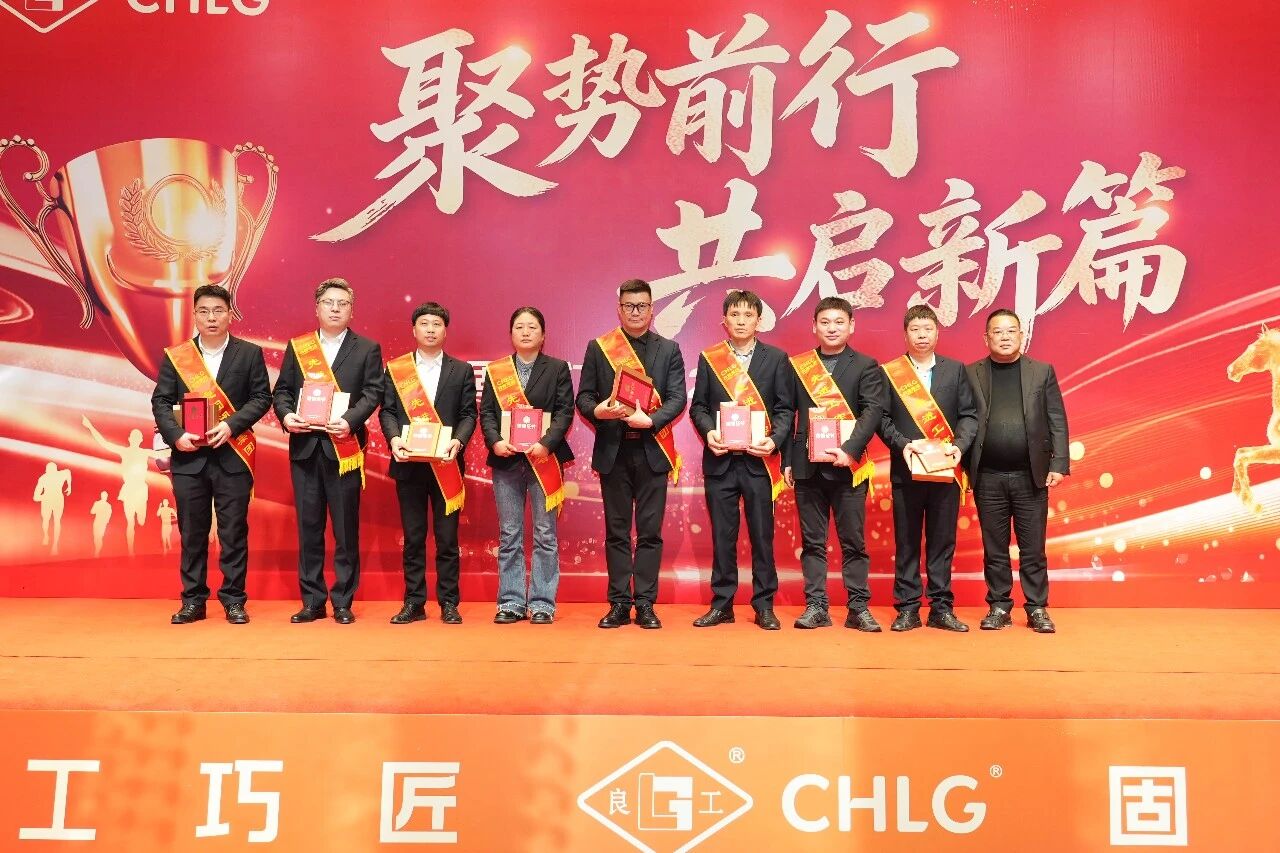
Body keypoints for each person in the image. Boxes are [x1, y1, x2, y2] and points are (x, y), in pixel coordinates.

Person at [151, 283, 272, 624]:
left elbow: (261, 398)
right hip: (189, 458)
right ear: (195, 315)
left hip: (232, 455)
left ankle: (234, 600)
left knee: (233, 532)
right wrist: (176, 435)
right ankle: (193, 601)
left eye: (218, 310)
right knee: (192, 533)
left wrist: (232, 425)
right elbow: (161, 401)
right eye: (204, 311)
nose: (211, 317)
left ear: (230, 314)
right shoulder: (178, 356)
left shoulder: (249, 353)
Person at [576, 279, 686, 629]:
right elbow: (584, 397)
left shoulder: (668, 349)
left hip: (653, 450)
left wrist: (650, 420)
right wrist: (599, 411)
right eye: (629, 306)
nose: (635, 312)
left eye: (642, 306)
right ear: (619, 309)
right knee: (617, 532)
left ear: (652, 309)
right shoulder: (599, 348)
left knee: (651, 533)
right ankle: (620, 604)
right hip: (615, 451)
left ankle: (646, 604)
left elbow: (677, 398)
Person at [273, 278, 384, 625]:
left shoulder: (367, 348)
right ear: (317, 308)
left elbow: (373, 392)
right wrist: (286, 415)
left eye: (342, 304)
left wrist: (350, 421)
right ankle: (312, 601)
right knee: (309, 528)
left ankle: (343, 601)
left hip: (344, 448)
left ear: (352, 310)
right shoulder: (299, 347)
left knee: (345, 530)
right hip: (306, 448)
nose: (335, 309)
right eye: (329, 303)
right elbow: (282, 392)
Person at [688, 290, 793, 630]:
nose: (742, 321)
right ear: (725, 320)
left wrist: (773, 440)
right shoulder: (710, 358)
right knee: (723, 536)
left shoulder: (776, 358)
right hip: (721, 462)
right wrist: (709, 433)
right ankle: (722, 604)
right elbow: (698, 408)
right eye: (735, 315)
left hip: (759, 463)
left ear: (758, 320)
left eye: (748, 315)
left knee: (762, 537)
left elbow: (784, 409)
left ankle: (764, 605)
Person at [785, 296, 886, 631]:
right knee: (812, 543)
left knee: (853, 543)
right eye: (825, 322)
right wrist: (787, 460)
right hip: (807, 467)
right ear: (814, 326)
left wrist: (851, 449)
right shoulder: (799, 365)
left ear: (851, 325)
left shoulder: (866, 365)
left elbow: (872, 411)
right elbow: (787, 413)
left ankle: (858, 608)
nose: (832, 328)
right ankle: (816, 606)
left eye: (839, 322)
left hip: (849, 468)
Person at [966, 308, 1070, 634]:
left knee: (1033, 548)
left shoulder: (1041, 372)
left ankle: (1037, 607)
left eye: (1011, 330)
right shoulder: (970, 373)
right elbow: (963, 422)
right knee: (994, 549)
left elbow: (1057, 419)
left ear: (1021, 335)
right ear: (986, 338)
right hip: (988, 476)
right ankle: (999, 606)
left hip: (1031, 476)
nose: (1005, 337)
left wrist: (1059, 463)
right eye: (997, 331)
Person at [877, 304, 977, 632]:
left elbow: (969, 416)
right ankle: (907, 608)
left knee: (942, 542)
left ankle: (940, 608)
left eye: (928, 329)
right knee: (906, 543)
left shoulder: (955, 370)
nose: (922, 335)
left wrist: (959, 446)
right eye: (915, 329)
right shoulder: (891, 372)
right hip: (906, 471)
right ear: (905, 334)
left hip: (945, 472)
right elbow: (881, 419)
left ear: (937, 333)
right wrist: (903, 444)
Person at [380, 301, 478, 625]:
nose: (431, 329)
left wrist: (458, 442)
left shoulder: (460, 370)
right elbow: (388, 411)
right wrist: (394, 439)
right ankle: (414, 602)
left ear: (445, 331)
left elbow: (468, 414)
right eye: (424, 324)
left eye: (437, 324)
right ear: (414, 330)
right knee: (413, 537)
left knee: (447, 539)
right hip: (409, 464)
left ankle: (449, 602)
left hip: (446, 464)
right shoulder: (398, 369)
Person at [479, 307, 575, 624]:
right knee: (510, 534)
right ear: (511, 334)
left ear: (543, 335)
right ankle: (511, 601)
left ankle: (543, 603)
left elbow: (564, 412)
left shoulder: (557, 368)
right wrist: (495, 441)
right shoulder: (497, 371)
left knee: (545, 534)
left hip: (544, 460)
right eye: (519, 326)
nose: (525, 332)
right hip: (506, 460)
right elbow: (487, 413)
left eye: (532, 327)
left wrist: (546, 443)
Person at [33, 462, 72, 555]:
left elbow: (68, 472)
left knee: (57, 521)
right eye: (49, 471)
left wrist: (69, 486)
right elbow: (35, 497)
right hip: (47, 501)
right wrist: (44, 497)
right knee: (46, 520)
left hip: (58, 500)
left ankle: (55, 545)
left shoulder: (59, 475)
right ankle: (46, 535)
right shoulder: (43, 478)